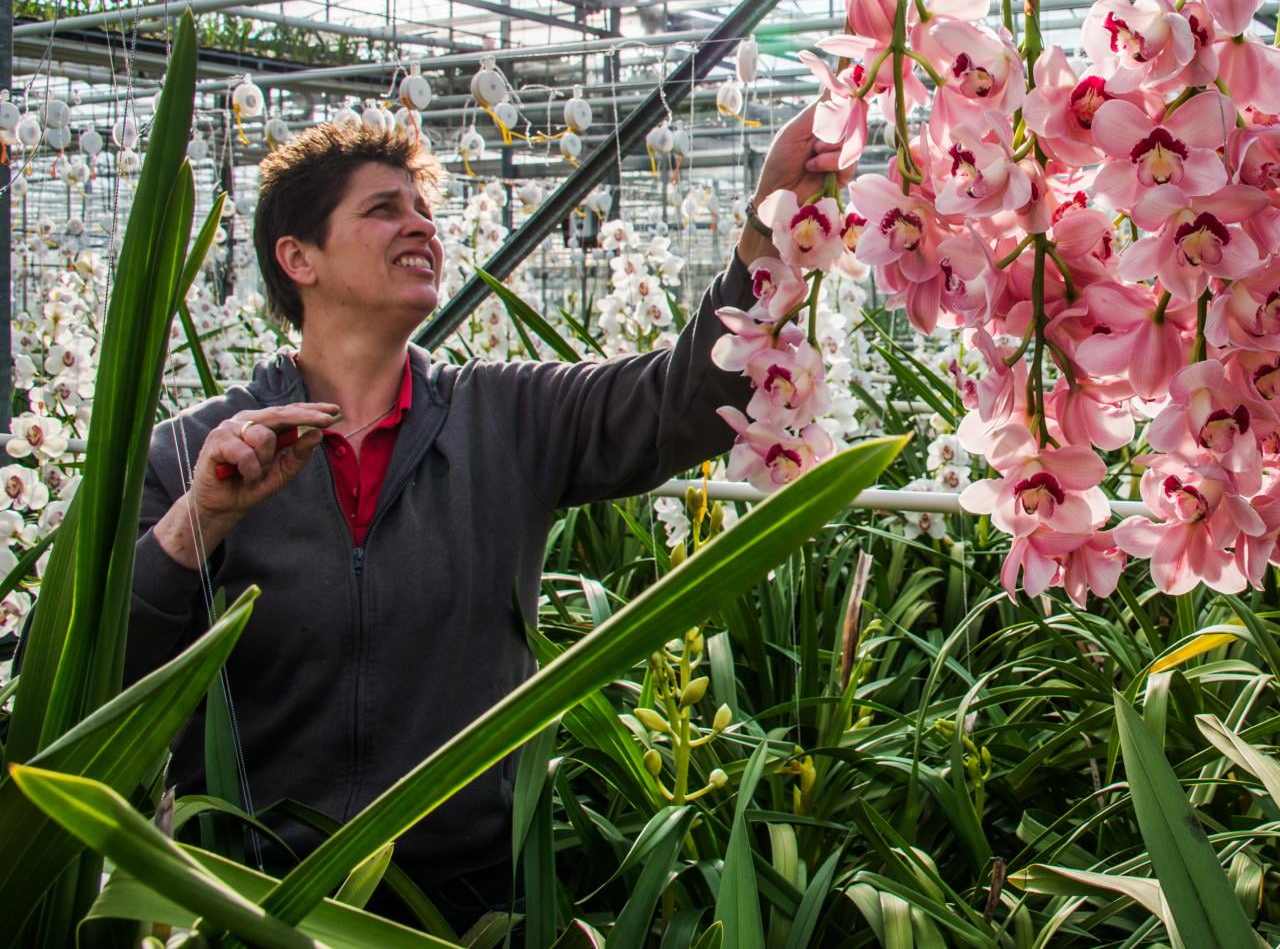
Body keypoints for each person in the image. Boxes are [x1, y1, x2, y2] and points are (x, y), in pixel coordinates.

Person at [125, 107, 844, 928]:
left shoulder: (505, 416)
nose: (420, 227)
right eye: (382, 209)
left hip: (463, 904)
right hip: (250, 898)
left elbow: (675, 399)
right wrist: (199, 520)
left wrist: (769, 224)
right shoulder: (194, 455)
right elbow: (93, 679)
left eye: (423, 210)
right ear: (299, 258)